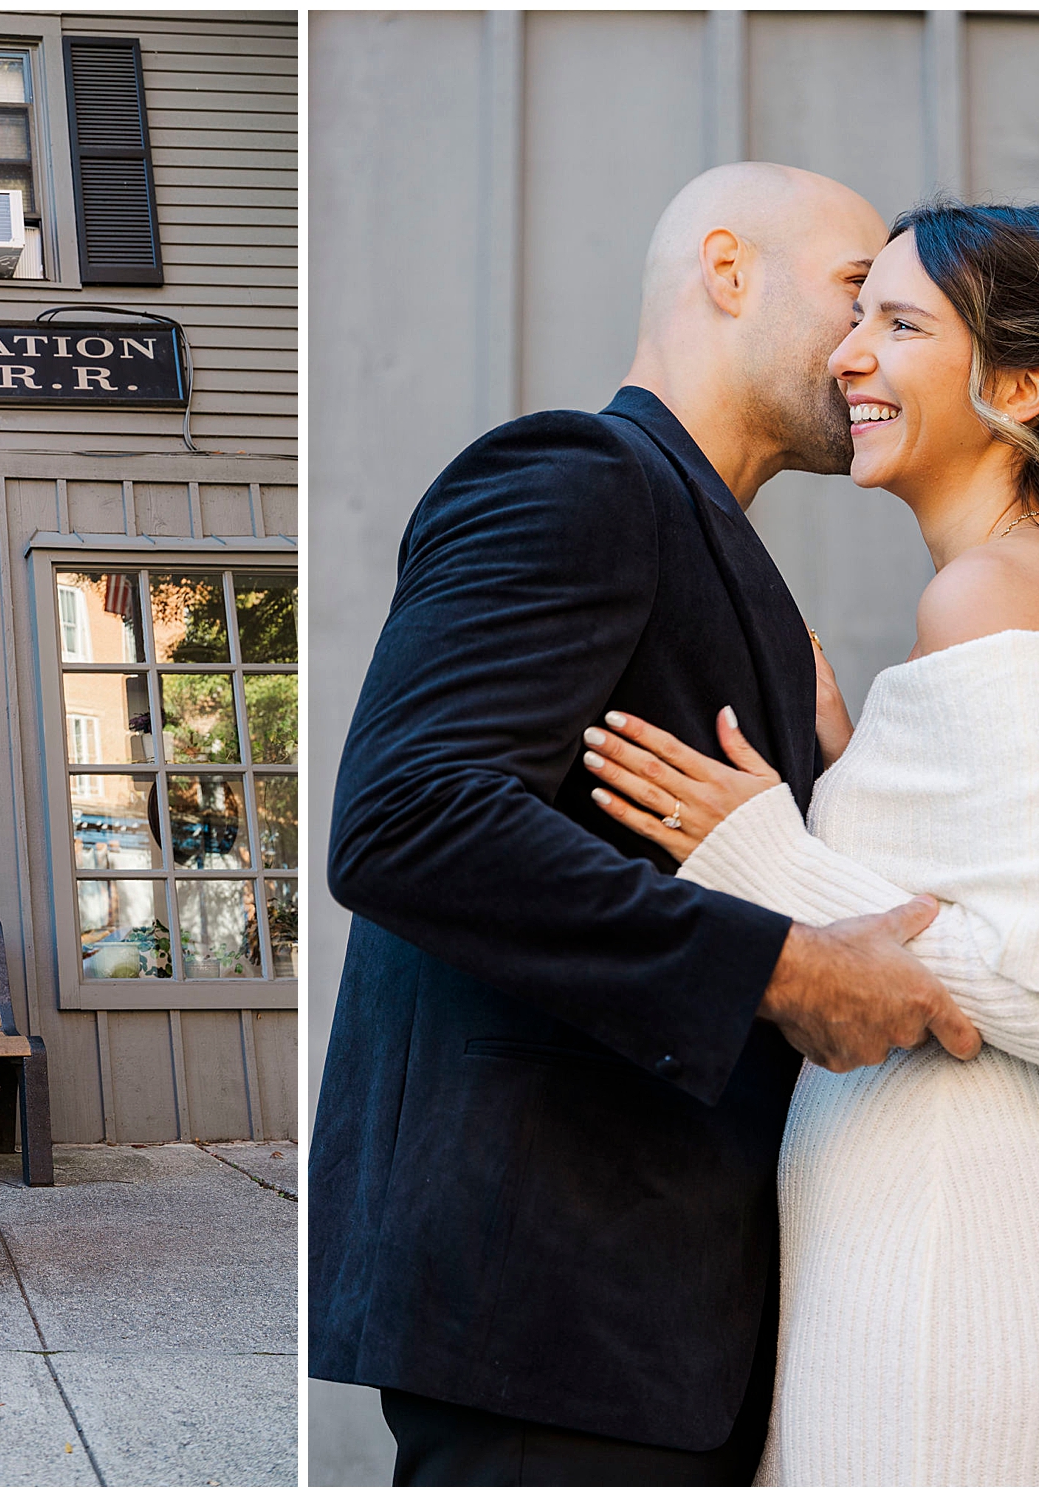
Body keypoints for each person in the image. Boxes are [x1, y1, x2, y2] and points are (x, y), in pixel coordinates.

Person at [311, 161, 983, 1486]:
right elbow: (406, 814)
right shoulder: (580, 477)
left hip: (661, 1334)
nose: (867, 352)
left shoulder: (713, 549)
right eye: (858, 295)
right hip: (559, 1327)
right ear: (725, 271)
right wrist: (783, 969)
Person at [584, 201, 1039, 1485]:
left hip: (955, 1285)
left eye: (898, 322)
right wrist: (859, 772)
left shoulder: (996, 591)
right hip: (912, 1262)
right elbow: (972, 902)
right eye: (855, 314)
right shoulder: (1003, 592)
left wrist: (762, 852)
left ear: (1020, 384)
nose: (846, 355)